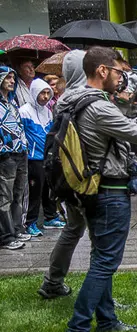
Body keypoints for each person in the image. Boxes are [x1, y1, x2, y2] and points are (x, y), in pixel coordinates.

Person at [59, 46, 137, 332]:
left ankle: (108, 319)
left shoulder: (81, 100)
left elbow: (126, 128)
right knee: (105, 262)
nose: (123, 78)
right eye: (118, 71)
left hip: (93, 190)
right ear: (102, 71)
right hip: (109, 192)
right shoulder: (97, 106)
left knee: (100, 257)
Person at [37, 50, 87, 299]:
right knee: (98, 236)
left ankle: (53, 281)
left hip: (67, 174)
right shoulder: (83, 99)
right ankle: (101, 299)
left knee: (73, 227)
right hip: (83, 176)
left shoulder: (65, 98)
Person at [19, 78, 63, 237]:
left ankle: (50, 217)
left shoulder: (47, 111)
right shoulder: (24, 111)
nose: (45, 96)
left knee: (49, 188)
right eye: (42, 93)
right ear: (34, 93)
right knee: (34, 191)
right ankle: (30, 222)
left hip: (46, 156)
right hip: (32, 158)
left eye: (47, 93)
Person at [0, 66, 29, 251]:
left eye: (13, 78)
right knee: (5, 196)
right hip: (5, 155)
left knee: (19, 193)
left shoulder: (12, 103)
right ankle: (6, 236)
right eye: (7, 78)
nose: (11, 81)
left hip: (20, 153)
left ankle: (18, 228)